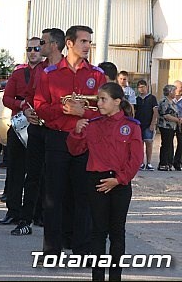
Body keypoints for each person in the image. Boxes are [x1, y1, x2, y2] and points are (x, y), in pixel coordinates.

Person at [34, 25, 107, 257]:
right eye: (83, 41)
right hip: (57, 139)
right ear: (69, 43)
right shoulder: (49, 73)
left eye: (89, 42)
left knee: (83, 196)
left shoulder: (97, 75)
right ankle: (51, 250)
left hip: (86, 140)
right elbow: (40, 107)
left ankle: (82, 249)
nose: (87, 46)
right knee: (53, 196)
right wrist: (64, 109)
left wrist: (81, 114)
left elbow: (105, 110)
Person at [67, 82, 142, 281]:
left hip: (120, 183)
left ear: (117, 101)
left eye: (103, 99)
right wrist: (76, 131)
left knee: (117, 232)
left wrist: (119, 179)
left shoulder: (131, 127)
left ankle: (115, 276)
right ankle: (97, 276)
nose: (98, 103)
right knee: (98, 232)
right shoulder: (93, 124)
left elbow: (135, 159)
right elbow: (75, 150)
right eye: (98, 99)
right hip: (97, 181)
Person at [12, 28, 65, 236]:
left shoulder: (68, 69)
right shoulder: (38, 70)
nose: (38, 47)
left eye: (42, 43)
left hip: (58, 131)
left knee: (56, 178)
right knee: (32, 175)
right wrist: (27, 110)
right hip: (37, 128)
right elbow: (29, 96)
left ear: (53, 45)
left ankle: (54, 222)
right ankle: (26, 220)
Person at [0, 37, 43, 227]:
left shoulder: (47, 71)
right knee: (15, 170)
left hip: (40, 124)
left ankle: (37, 213)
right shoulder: (18, 74)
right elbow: (6, 98)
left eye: (37, 48)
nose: (33, 52)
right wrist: (20, 104)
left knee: (38, 172)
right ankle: (13, 211)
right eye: (29, 49)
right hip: (19, 124)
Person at [135, 79, 158, 171]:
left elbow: (155, 111)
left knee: (149, 143)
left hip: (148, 125)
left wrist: (153, 124)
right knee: (139, 144)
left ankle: (149, 163)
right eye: (139, 87)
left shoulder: (152, 98)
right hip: (139, 125)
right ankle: (141, 162)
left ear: (147, 87)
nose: (141, 89)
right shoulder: (137, 99)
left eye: (143, 87)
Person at [156, 84, 178, 171]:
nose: (175, 93)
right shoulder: (164, 101)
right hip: (166, 126)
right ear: (169, 92)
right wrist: (177, 120)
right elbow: (166, 115)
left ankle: (169, 163)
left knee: (170, 145)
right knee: (165, 145)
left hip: (172, 127)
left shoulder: (172, 101)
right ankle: (163, 163)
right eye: (174, 91)